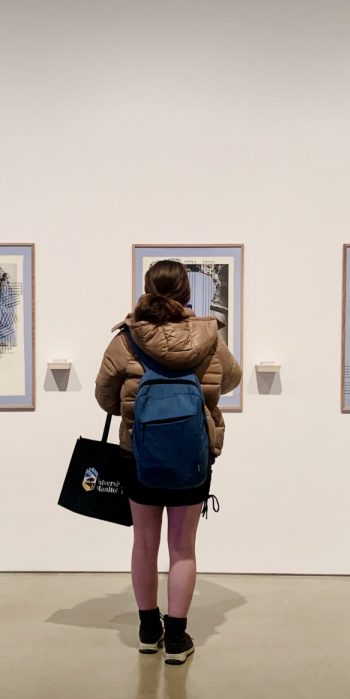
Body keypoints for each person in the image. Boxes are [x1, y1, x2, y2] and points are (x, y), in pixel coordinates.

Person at [95, 260, 242, 665]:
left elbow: (104, 395)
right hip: (193, 454)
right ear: (186, 293)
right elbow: (230, 378)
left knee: (144, 542)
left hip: (138, 454)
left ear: (147, 289)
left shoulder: (126, 338)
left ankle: (147, 630)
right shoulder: (207, 336)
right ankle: (176, 638)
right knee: (183, 546)